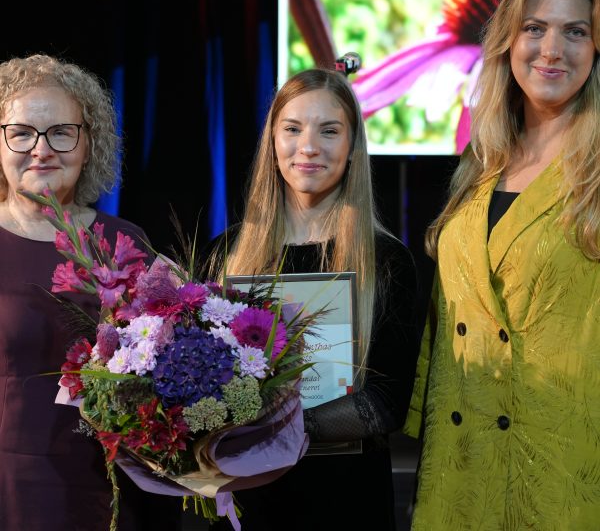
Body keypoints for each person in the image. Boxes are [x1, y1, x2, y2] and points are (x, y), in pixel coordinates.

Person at [404, 0, 600, 530]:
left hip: (564, 466)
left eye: (575, 32)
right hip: (461, 467)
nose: (551, 50)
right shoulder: (481, 165)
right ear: (507, 42)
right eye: (534, 28)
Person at [205, 66, 419, 530]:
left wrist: (275, 428)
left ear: (352, 145)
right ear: (272, 141)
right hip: (249, 503)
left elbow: (387, 403)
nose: (308, 146)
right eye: (293, 128)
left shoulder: (388, 261)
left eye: (329, 130)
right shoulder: (225, 254)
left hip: (346, 503)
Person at [0, 55, 180, 530]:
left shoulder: (127, 242)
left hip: (119, 490)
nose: (41, 149)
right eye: (21, 133)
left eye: (61, 132)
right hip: (11, 490)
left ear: (88, 143)